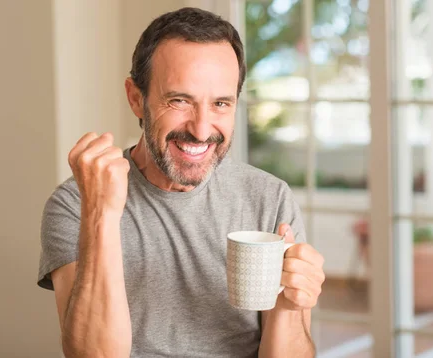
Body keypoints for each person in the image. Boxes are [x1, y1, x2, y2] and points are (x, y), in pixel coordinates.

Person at [38, 7, 325, 357]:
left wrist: (288, 308)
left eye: (220, 103)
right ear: (135, 99)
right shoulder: (77, 203)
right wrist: (101, 215)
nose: (202, 129)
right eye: (179, 100)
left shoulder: (268, 198)